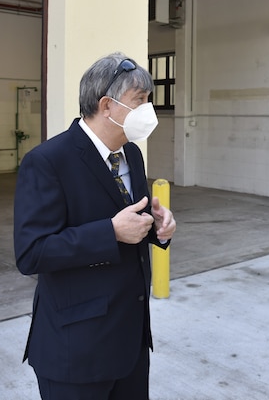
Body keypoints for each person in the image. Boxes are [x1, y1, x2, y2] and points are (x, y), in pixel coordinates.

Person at [14, 52, 176, 400]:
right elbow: (31, 253)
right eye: (140, 101)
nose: (148, 109)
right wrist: (109, 232)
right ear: (107, 105)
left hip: (130, 343)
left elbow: (131, 217)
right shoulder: (47, 162)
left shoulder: (131, 153)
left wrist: (156, 229)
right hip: (77, 351)